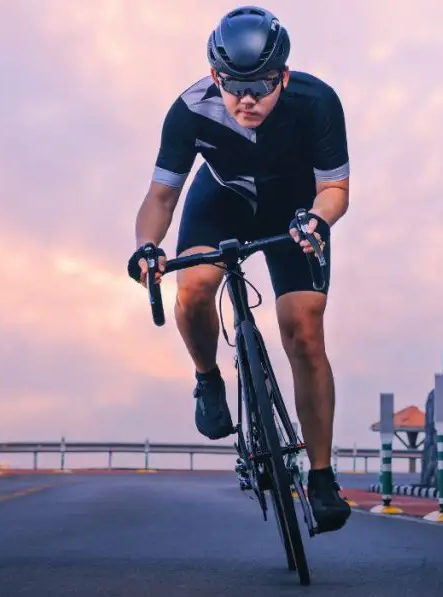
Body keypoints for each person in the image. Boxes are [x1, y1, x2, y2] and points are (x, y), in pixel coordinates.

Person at [126, 5, 351, 533]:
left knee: (305, 331)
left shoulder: (316, 102)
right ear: (214, 76)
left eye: (262, 85)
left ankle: (321, 478)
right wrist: (146, 246)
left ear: (285, 76)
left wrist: (318, 220)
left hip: (296, 210)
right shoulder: (189, 109)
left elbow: (335, 190)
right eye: (233, 86)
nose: (247, 99)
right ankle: (207, 379)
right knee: (195, 288)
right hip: (221, 198)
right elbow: (161, 195)